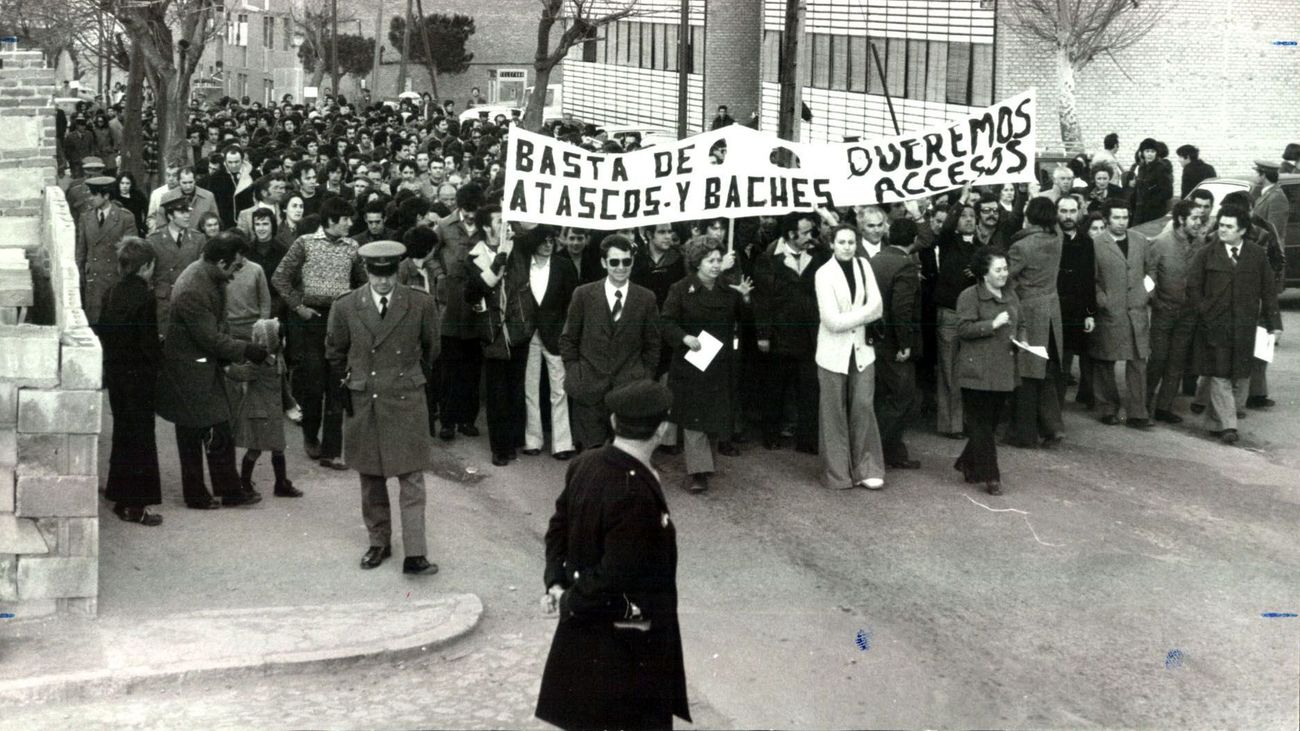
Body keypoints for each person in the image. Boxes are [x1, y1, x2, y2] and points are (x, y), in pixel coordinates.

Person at [536, 380, 690, 731]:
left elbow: (557, 529)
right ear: (661, 430)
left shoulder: (585, 464)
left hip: (586, 635)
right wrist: (568, 600)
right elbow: (615, 574)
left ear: (614, 422)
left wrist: (555, 584)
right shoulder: (634, 492)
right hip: (626, 642)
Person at [325, 240, 442, 575]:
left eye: (389, 273)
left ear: (398, 271)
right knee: (371, 476)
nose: (383, 281)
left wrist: (412, 378)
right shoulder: (347, 306)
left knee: (412, 477)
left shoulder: (420, 303)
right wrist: (351, 383)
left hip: (405, 396)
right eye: (376, 274)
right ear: (366, 271)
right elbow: (334, 352)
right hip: (366, 399)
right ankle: (379, 543)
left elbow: (432, 349)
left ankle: (415, 553)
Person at [155, 232, 268, 509]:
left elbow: (220, 324)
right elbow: (209, 338)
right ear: (221, 262)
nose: (236, 273)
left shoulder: (210, 277)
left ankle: (224, 490)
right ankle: (202, 494)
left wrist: (231, 354)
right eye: (235, 267)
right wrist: (246, 349)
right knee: (196, 432)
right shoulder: (194, 287)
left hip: (201, 367)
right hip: (189, 370)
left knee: (214, 427)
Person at [661, 236, 752, 493]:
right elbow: (666, 322)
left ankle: (705, 464)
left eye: (717, 260)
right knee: (693, 418)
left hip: (720, 364)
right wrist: (684, 337)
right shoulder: (680, 289)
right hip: (691, 364)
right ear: (696, 262)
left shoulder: (728, 289)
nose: (715, 265)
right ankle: (698, 471)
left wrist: (745, 300)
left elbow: (742, 323)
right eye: (709, 260)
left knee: (713, 416)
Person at [1187, 208, 1282, 444]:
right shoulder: (1206, 253)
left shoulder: (1256, 255)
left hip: (1244, 327)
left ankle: (1214, 422)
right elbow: (1193, 287)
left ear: (1242, 230)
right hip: (1214, 326)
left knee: (1237, 375)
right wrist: (1203, 310)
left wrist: (1274, 323)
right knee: (1220, 375)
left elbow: (1268, 290)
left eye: (1229, 227)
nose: (1223, 230)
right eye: (1221, 225)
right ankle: (1229, 426)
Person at [560, 234, 663, 450]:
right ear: (604, 263)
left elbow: (653, 344)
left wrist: (644, 377)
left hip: (629, 390)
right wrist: (575, 372)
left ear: (632, 262)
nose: (621, 267)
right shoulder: (584, 294)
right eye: (614, 262)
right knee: (591, 455)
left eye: (626, 261)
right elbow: (569, 339)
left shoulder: (646, 298)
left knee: (626, 456)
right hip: (589, 389)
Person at [813, 224, 886, 490]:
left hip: (862, 351)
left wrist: (864, 314)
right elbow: (830, 321)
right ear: (831, 244)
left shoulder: (865, 267)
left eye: (851, 242)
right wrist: (865, 314)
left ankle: (867, 468)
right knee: (833, 412)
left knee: (863, 406)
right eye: (841, 242)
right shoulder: (823, 274)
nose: (847, 247)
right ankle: (837, 473)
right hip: (832, 352)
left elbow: (878, 306)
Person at [97, 238, 164, 526]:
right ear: (145, 266)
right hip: (139, 377)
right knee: (141, 440)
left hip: (116, 374)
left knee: (123, 434)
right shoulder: (145, 297)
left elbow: (104, 331)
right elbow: (148, 344)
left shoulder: (111, 292)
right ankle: (136, 507)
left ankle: (119, 495)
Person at [464, 206, 535, 466]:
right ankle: (499, 448)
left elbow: (538, 230)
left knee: (516, 388)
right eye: (499, 220)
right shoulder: (473, 256)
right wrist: (498, 262)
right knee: (497, 393)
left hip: (519, 328)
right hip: (493, 332)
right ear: (486, 227)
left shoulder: (518, 247)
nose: (505, 224)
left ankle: (513, 439)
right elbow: (474, 291)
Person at [753, 213, 829, 453]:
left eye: (812, 232)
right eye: (806, 232)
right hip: (780, 335)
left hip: (810, 336)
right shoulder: (768, 260)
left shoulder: (818, 256)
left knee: (809, 388)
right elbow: (762, 300)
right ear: (790, 234)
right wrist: (763, 334)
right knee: (775, 388)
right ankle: (771, 435)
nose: (810, 237)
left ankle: (807, 440)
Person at [954, 247, 1020, 495]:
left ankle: (966, 462)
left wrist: (1020, 341)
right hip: (977, 370)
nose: (1004, 274)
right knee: (981, 424)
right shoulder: (969, 296)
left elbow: (1020, 323)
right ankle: (991, 476)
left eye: (1005, 268)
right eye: (998, 269)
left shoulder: (1011, 295)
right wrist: (992, 325)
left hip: (1003, 367)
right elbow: (963, 329)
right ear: (984, 273)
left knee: (990, 424)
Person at [1005, 197, 1064, 448]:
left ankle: (1025, 434)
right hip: (1051, 311)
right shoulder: (1057, 239)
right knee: (1046, 372)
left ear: (1029, 216)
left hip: (1029, 312)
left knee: (1026, 374)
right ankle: (1053, 427)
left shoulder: (1022, 246)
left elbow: (1004, 277)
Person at [517, 225, 579, 461]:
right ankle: (532, 440)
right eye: (543, 240)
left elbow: (573, 304)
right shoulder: (523, 265)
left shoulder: (564, 266)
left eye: (551, 240)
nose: (547, 244)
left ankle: (562, 443)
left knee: (560, 390)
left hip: (555, 335)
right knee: (530, 388)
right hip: (528, 333)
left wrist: (565, 331)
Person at [1090, 199, 1155, 429]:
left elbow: (1151, 269)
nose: (1121, 222)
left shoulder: (1139, 241)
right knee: (1106, 360)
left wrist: (1145, 292)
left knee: (1138, 361)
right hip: (1111, 312)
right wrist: (1102, 300)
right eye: (1116, 217)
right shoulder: (1097, 244)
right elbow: (1092, 279)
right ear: (1107, 219)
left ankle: (1138, 412)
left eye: (1125, 217)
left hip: (1136, 311)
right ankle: (1107, 408)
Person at [227, 318, 301, 498]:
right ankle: (245, 483)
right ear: (274, 340)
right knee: (255, 449)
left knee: (277, 448)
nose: (284, 340)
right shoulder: (258, 362)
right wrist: (227, 367)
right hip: (259, 414)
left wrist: (291, 406)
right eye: (281, 337)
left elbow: (283, 387)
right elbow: (241, 373)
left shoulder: (278, 360)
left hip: (272, 414)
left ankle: (280, 483)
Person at [1146, 200, 1205, 423]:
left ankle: (1164, 407)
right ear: (1181, 219)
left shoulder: (1200, 244)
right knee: (1158, 359)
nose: (1199, 222)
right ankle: (1143, 404)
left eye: (1201, 218)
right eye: (1195, 218)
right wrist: (1154, 301)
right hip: (1164, 311)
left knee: (1176, 362)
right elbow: (1149, 276)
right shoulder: (1161, 243)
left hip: (1188, 313)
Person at [870, 218, 923, 470]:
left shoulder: (875, 260)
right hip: (894, 344)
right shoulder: (906, 266)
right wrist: (905, 344)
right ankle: (874, 449)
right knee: (904, 397)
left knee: (884, 396)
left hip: (875, 339)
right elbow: (901, 308)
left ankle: (893, 451)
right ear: (913, 240)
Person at [931, 202, 980, 437]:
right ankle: (952, 424)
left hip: (972, 317)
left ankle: (966, 421)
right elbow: (947, 228)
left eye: (972, 216)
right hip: (950, 313)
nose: (968, 219)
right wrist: (962, 199)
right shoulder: (949, 243)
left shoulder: (981, 249)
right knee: (949, 371)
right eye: (963, 216)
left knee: (967, 370)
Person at [76, 175, 137, 325]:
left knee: (113, 324)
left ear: (106, 195)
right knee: (94, 322)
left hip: (115, 280)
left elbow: (131, 254)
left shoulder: (125, 218)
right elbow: (81, 252)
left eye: (94, 194)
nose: (90, 198)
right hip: (93, 281)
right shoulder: (86, 217)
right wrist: (79, 277)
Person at [1056, 198, 1097, 410]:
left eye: (1072, 211)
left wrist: (1090, 313)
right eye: (1063, 211)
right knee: (1056, 363)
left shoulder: (1086, 241)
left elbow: (1090, 279)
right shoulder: (1051, 238)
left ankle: (1060, 408)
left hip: (1076, 312)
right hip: (1054, 309)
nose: (1068, 216)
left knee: (1070, 359)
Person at [1131, 138, 1174, 225]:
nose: (1150, 154)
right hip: (1139, 212)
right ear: (1142, 153)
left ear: (1156, 153)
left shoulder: (1161, 168)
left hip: (1154, 212)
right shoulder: (1141, 168)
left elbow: (1168, 192)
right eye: (1147, 151)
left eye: (1152, 151)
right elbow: (1138, 189)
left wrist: (1152, 203)